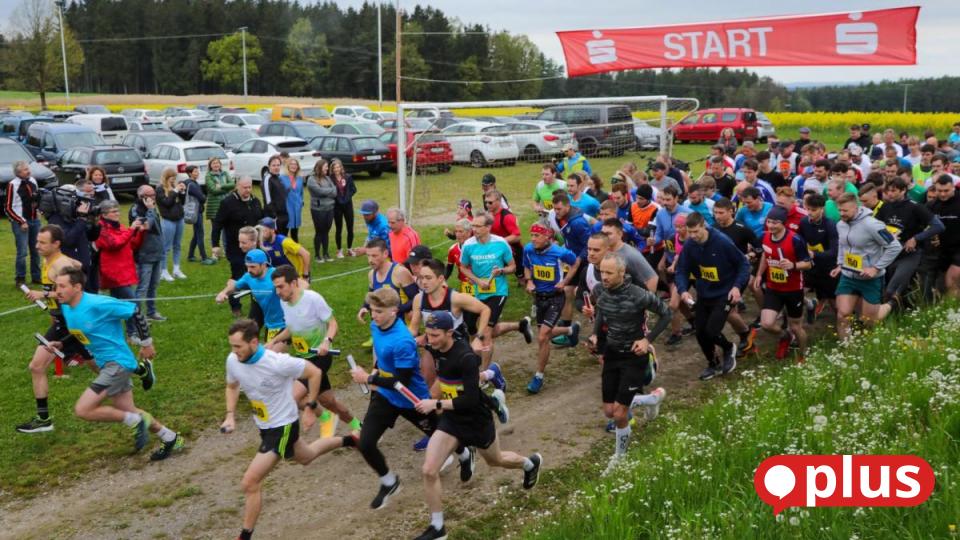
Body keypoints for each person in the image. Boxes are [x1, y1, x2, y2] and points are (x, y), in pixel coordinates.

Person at [220, 319, 356, 540]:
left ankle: (244, 536)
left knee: (250, 482)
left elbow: (314, 372)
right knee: (306, 456)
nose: (233, 352)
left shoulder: (277, 362)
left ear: (254, 342)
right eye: (231, 346)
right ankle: (351, 440)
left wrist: (311, 407)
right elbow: (232, 386)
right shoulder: (233, 360)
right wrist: (230, 416)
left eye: (238, 346)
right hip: (264, 426)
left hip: (283, 426)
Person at [413, 311, 542, 540]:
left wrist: (436, 403)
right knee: (429, 470)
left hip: (475, 420)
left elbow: (470, 399)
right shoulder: (435, 348)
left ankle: (529, 464)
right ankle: (438, 527)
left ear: (449, 333)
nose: (430, 340)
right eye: (428, 335)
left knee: (496, 460)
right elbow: (444, 380)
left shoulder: (466, 358)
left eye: (435, 335)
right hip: (452, 420)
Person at [51, 266, 182, 460]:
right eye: (56, 286)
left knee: (83, 409)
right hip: (106, 364)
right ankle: (170, 437)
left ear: (77, 287)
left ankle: (135, 421)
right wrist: (61, 343)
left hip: (118, 363)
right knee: (127, 409)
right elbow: (81, 332)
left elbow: (135, 311)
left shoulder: (98, 303)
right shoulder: (67, 307)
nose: (57, 291)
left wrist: (147, 343)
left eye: (62, 286)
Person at [349, 288, 458, 510]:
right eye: (372, 310)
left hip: (412, 398)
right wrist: (374, 370)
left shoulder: (403, 340)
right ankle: (388, 481)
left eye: (379, 311)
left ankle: (465, 453)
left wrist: (368, 378)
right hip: (386, 396)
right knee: (366, 442)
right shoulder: (375, 325)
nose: (374, 315)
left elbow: (402, 381)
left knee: (442, 437)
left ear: (394, 311)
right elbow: (381, 355)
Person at [588, 252, 671, 471]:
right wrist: (595, 335)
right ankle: (651, 400)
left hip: (634, 357)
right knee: (609, 410)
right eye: (601, 272)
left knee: (619, 413)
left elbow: (666, 314)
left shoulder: (638, 295)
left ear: (622, 273)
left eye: (609, 273)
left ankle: (620, 458)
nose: (603, 277)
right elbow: (601, 312)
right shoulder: (600, 291)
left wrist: (647, 340)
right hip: (612, 354)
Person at [266, 265, 361, 439]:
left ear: (294, 283)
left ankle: (316, 416)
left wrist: (327, 341)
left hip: (320, 357)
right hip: (302, 356)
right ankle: (357, 425)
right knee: (329, 402)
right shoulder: (284, 302)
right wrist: (273, 341)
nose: (278, 292)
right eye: (276, 287)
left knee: (291, 396)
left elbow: (333, 324)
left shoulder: (313, 299)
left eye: (281, 287)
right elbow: (292, 328)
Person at [15, 225, 86, 433]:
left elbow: (72, 291)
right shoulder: (55, 261)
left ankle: (137, 372)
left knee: (97, 364)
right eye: (37, 241)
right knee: (37, 367)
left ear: (56, 244)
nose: (37, 246)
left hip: (71, 321)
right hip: (60, 322)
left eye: (42, 242)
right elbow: (79, 267)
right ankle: (43, 419)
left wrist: (43, 295)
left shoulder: (60, 264)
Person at [675, 212, 751, 381]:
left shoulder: (722, 242)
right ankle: (713, 363)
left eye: (696, 231)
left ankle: (728, 347)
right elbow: (681, 269)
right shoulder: (689, 245)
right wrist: (683, 290)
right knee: (700, 332)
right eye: (690, 232)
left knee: (712, 330)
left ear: (704, 225)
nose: (693, 236)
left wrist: (737, 287)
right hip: (704, 293)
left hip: (725, 293)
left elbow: (743, 265)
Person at [460, 213, 534, 369]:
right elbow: (463, 267)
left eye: (478, 226)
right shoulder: (468, 245)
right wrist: (477, 280)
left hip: (498, 292)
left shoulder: (500, 243)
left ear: (488, 227)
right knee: (472, 329)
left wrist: (500, 271)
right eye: (473, 226)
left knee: (486, 332)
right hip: (478, 292)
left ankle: (484, 374)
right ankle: (520, 326)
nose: (474, 229)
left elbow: (513, 266)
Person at [831, 193, 901, 340]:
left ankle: (891, 303)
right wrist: (840, 264)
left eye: (845, 211)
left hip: (871, 278)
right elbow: (842, 246)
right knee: (842, 314)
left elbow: (895, 246)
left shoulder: (872, 225)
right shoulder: (840, 224)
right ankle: (847, 350)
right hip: (848, 275)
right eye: (839, 210)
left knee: (869, 321)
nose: (841, 214)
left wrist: (875, 268)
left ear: (856, 208)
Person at [522, 220, 581, 393]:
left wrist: (565, 281)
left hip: (555, 298)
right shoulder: (528, 250)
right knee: (545, 333)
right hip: (539, 298)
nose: (533, 239)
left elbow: (575, 262)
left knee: (542, 337)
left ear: (548, 236)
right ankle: (570, 331)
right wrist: (530, 281)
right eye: (531, 235)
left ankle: (538, 376)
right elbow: (526, 267)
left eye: (537, 235)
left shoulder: (559, 251)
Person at [753, 206, 813, 361]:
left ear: (784, 223)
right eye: (769, 222)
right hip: (774, 288)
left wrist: (792, 265)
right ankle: (785, 336)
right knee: (766, 323)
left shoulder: (795, 239)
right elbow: (766, 256)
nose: (771, 226)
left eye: (775, 223)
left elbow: (808, 264)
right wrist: (759, 275)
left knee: (795, 326)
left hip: (793, 289)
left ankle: (803, 354)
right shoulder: (765, 236)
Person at [875, 177, 944, 307]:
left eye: (893, 191)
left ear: (903, 190)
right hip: (888, 254)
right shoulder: (885, 206)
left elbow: (939, 226)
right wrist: (887, 236)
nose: (889, 193)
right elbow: (875, 227)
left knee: (892, 290)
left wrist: (915, 238)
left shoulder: (915, 207)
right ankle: (890, 319)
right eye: (888, 191)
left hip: (909, 254)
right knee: (883, 291)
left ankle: (897, 320)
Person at [212, 177, 265, 318]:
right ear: (237, 187)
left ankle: (258, 301)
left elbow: (261, 219)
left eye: (249, 187)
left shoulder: (255, 201)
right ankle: (235, 305)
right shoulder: (228, 203)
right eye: (244, 187)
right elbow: (217, 223)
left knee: (257, 273)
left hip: (254, 247)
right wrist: (215, 244)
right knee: (238, 274)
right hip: (236, 247)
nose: (247, 190)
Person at [95, 200, 145, 337]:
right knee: (133, 303)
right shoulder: (101, 229)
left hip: (125, 270)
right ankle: (132, 332)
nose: (117, 213)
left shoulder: (119, 227)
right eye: (114, 211)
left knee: (119, 305)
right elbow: (114, 244)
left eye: (118, 210)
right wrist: (131, 229)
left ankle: (118, 331)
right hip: (113, 273)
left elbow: (132, 244)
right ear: (104, 214)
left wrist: (140, 232)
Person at [215, 249, 286, 343]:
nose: (249, 270)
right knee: (268, 354)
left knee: (271, 354)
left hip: (285, 323)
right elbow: (235, 286)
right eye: (247, 267)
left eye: (253, 267)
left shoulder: (276, 275)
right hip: (272, 324)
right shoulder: (248, 277)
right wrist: (224, 292)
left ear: (264, 264)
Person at [357, 238, 418, 348]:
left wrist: (397, 310)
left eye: (374, 256)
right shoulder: (371, 274)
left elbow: (417, 298)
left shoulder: (399, 272)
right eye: (368, 255)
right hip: (381, 326)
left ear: (385, 254)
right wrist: (364, 307)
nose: (370, 260)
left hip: (401, 328)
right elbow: (372, 293)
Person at [550, 194, 592, 349]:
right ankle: (567, 328)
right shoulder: (564, 218)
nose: (556, 211)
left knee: (577, 293)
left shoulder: (578, 223)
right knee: (567, 292)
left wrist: (579, 260)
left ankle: (598, 328)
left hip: (585, 264)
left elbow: (589, 244)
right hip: (574, 261)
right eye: (554, 208)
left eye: (559, 208)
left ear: (567, 206)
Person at [798, 193, 840, 319]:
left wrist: (814, 254)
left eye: (814, 210)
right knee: (797, 292)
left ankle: (847, 329)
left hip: (828, 268)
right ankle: (811, 305)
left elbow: (834, 252)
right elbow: (800, 241)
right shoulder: (804, 222)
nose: (810, 212)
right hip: (810, 266)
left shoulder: (830, 225)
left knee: (835, 305)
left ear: (822, 209)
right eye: (808, 209)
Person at [129, 185, 166, 321]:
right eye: (150, 195)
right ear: (142, 197)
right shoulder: (136, 210)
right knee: (142, 287)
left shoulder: (151, 207)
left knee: (153, 285)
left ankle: (152, 312)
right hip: (144, 255)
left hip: (156, 252)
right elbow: (147, 225)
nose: (153, 197)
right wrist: (150, 210)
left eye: (154, 195)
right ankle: (138, 317)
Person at [6, 161, 42, 288]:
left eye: (28, 168)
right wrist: (21, 221)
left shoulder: (32, 180)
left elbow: (36, 198)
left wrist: (38, 209)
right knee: (22, 252)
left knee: (36, 250)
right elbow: (8, 208)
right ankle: (20, 278)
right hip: (21, 223)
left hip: (35, 221)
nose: (29, 171)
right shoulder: (12, 185)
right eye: (25, 170)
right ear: (18, 172)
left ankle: (36, 277)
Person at [928, 174, 960, 298]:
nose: (942, 194)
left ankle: (955, 313)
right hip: (942, 250)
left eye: (946, 191)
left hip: (959, 248)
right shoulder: (932, 205)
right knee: (943, 287)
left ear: (953, 187)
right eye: (939, 191)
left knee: (951, 279)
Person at [484, 189, 525, 281]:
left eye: (490, 202)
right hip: (496, 249)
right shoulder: (487, 215)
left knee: (521, 277)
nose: (487, 205)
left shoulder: (507, 216)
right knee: (491, 271)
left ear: (498, 201)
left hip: (513, 250)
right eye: (486, 202)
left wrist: (499, 241)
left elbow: (517, 236)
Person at [156, 168, 187, 281]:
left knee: (177, 245)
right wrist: (175, 191)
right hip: (168, 220)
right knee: (166, 247)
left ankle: (176, 269)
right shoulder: (160, 189)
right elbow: (167, 203)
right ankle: (163, 271)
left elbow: (181, 202)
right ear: (166, 178)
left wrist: (182, 192)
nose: (173, 180)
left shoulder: (174, 188)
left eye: (174, 178)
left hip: (179, 219)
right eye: (171, 178)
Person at [257, 217, 310, 281]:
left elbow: (306, 254)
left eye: (264, 231)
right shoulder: (263, 243)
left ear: (273, 230)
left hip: (297, 277)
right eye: (261, 231)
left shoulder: (284, 242)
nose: (262, 234)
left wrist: (305, 275)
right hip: (281, 278)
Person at [306, 159, 336, 262]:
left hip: (330, 208)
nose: (327, 169)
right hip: (318, 210)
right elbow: (319, 192)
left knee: (326, 231)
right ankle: (317, 255)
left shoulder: (328, 178)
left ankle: (326, 253)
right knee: (319, 231)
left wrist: (328, 191)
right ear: (319, 167)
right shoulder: (311, 179)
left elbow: (335, 191)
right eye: (326, 167)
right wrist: (330, 191)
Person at [183, 165, 214, 265]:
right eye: (195, 171)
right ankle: (204, 258)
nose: (197, 173)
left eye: (197, 171)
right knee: (200, 234)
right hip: (196, 212)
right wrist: (204, 196)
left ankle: (190, 255)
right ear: (190, 173)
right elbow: (202, 198)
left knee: (196, 234)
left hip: (195, 212)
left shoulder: (189, 183)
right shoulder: (192, 184)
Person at [205, 156, 234, 258]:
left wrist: (221, 186)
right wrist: (226, 188)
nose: (216, 165)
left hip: (227, 206)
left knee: (227, 230)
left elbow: (232, 184)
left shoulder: (225, 173)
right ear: (210, 166)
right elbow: (213, 190)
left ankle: (227, 251)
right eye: (214, 163)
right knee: (216, 230)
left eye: (217, 163)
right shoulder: (208, 176)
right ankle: (215, 253)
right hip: (214, 207)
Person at [330, 158, 357, 258]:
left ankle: (349, 249)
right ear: (332, 169)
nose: (337, 169)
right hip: (337, 207)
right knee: (339, 228)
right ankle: (339, 250)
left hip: (348, 205)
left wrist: (347, 197)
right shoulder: (330, 179)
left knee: (350, 227)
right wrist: (338, 199)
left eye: (338, 167)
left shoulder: (348, 177)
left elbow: (354, 189)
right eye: (335, 167)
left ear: (341, 168)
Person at [261, 155, 289, 235]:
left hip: (284, 215)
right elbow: (268, 200)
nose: (276, 167)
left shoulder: (279, 178)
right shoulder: (267, 179)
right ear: (269, 166)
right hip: (275, 217)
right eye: (273, 165)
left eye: (278, 165)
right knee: (275, 240)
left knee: (283, 239)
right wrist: (274, 216)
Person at [445, 219, 473, 293]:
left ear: (469, 232)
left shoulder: (479, 247)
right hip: (465, 285)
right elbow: (449, 269)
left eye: (460, 231)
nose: (457, 234)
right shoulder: (453, 249)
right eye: (456, 231)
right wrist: (441, 281)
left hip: (481, 282)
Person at [280, 158, 304, 242]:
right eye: (292, 164)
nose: (294, 166)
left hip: (297, 207)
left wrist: (301, 202)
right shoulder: (282, 178)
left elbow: (301, 192)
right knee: (285, 230)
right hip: (287, 206)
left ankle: (296, 250)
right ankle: (284, 249)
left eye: (295, 164)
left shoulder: (300, 178)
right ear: (288, 166)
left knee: (295, 231)